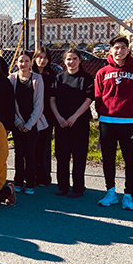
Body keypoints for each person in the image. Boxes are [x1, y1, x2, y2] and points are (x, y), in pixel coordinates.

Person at [95, 36, 133, 211]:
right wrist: (103, 114)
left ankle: (128, 195)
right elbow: (98, 97)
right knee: (108, 159)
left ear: (128, 50)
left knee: (129, 160)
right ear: (110, 50)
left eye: (122, 48)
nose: (119, 51)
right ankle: (110, 192)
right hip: (107, 122)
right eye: (116, 48)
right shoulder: (102, 73)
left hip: (129, 122)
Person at [50, 48, 94, 198]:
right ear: (64, 61)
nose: (72, 62)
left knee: (79, 155)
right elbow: (52, 99)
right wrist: (59, 117)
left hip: (79, 122)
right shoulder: (59, 78)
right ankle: (62, 186)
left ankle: (78, 187)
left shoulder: (86, 78)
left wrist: (74, 117)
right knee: (62, 156)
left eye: (75, 58)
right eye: (68, 59)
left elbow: (88, 99)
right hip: (61, 122)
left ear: (80, 60)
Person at [9, 51, 48, 195]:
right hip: (17, 123)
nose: (23, 64)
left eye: (26, 61)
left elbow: (39, 104)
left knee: (30, 153)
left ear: (31, 62)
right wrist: (18, 122)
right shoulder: (12, 78)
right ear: (17, 63)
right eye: (20, 61)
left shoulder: (38, 79)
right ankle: (18, 181)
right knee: (19, 153)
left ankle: (30, 183)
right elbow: (10, 103)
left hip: (33, 123)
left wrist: (29, 124)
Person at [32, 46, 55, 188]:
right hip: (32, 115)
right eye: (39, 57)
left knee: (44, 147)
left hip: (47, 116)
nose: (42, 60)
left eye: (45, 58)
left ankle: (44, 176)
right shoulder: (29, 74)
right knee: (32, 147)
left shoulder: (52, 75)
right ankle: (31, 174)